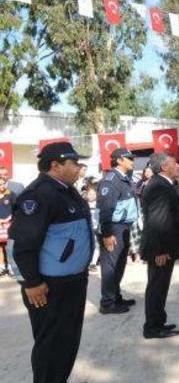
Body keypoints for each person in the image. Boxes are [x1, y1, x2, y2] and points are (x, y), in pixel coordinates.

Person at [9, 142, 92, 382]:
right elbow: (22, 244)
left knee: (66, 343)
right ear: (55, 165)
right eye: (74, 163)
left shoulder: (66, 190)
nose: (79, 168)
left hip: (72, 281)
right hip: (49, 287)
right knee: (51, 347)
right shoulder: (39, 194)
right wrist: (32, 282)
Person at [140, 152, 179, 339]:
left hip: (165, 247)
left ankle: (159, 321)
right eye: (174, 163)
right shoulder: (159, 186)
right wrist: (160, 250)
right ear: (164, 167)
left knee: (160, 287)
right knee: (157, 287)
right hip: (160, 250)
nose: (178, 166)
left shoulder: (163, 184)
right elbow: (157, 221)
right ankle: (152, 327)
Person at [95, 148, 138, 314]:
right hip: (113, 228)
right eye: (129, 158)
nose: (133, 161)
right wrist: (107, 234)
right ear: (119, 160)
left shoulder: (124, 178)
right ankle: (107, 303)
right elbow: (105, 209)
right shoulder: (111, 180)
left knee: (119, 264)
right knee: (111, 266)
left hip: (123, 227)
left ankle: (115, 296)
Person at [0, 177, 16, 277]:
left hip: (8, 225)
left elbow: (16, 210)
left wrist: (8, 219)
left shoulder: (11, 195)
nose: (1, 186)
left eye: (3, 184)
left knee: (9, 246)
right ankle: (1, 268)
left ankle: (11, 268)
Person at [84, 184, 101, 271]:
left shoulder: (99, 205)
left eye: (93, 194)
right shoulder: (84, 205)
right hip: (87, 228)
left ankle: (93, 262)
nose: (91, 196)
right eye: (90, 194)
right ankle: (87, 261)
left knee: (97, 245)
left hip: (96, 228)